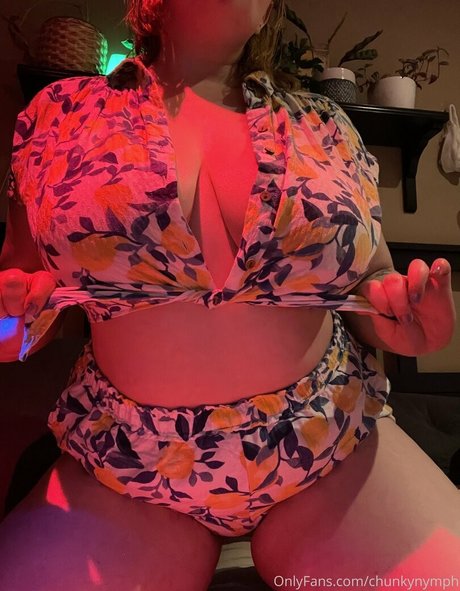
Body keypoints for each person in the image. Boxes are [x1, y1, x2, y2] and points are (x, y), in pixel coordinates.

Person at [0, 1, 459, 589]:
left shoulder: (325, 125)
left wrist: (401, 315)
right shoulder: (58, 116)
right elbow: (21, 298)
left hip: (330, 445)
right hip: (128, 469)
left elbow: (371, 282)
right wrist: (12, 322)